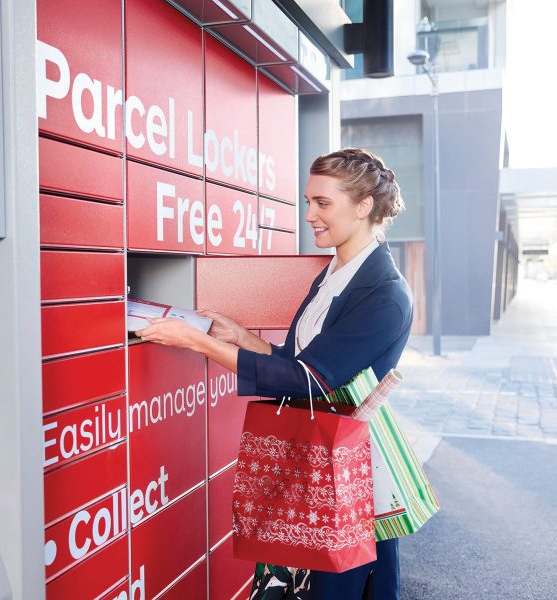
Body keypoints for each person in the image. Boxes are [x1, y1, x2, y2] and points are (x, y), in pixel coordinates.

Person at [135, 147, 413, 600]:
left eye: (323, 203)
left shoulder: (384, 293)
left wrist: (199, 343)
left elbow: (309, 381)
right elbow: (301, 360)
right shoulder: (336, 273)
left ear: (364, 207)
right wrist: (242, 337)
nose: (310, 215)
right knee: (300, 581)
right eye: (308, 201)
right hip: (315, 456)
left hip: (345, 469)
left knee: (334, 586)